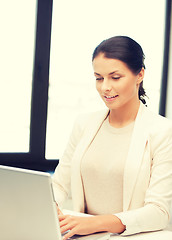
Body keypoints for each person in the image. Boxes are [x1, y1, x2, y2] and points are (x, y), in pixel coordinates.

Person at [52, 36, 172, 239]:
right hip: (83, 236)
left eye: (115, 77)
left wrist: (94, 223)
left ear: (139, 75)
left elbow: (159, 212)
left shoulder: (163, 131)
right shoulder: (84, 124)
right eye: (99, 78)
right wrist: (50, 206)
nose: (104, 87)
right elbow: (59, 185)